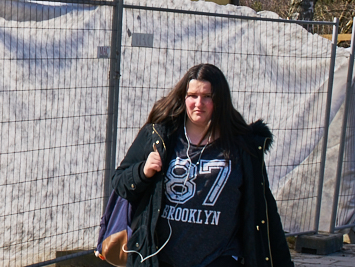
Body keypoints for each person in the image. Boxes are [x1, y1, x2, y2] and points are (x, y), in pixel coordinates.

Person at [112, 63, 292, 267]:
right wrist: (142, 172)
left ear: (220, 100)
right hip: (162, 259)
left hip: (220, 259)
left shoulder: (243, 147)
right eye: (193, 95)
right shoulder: (159, 136)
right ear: (183, 97)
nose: (199, 103)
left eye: (207, 96)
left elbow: (264, 209)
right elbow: (119, 182)